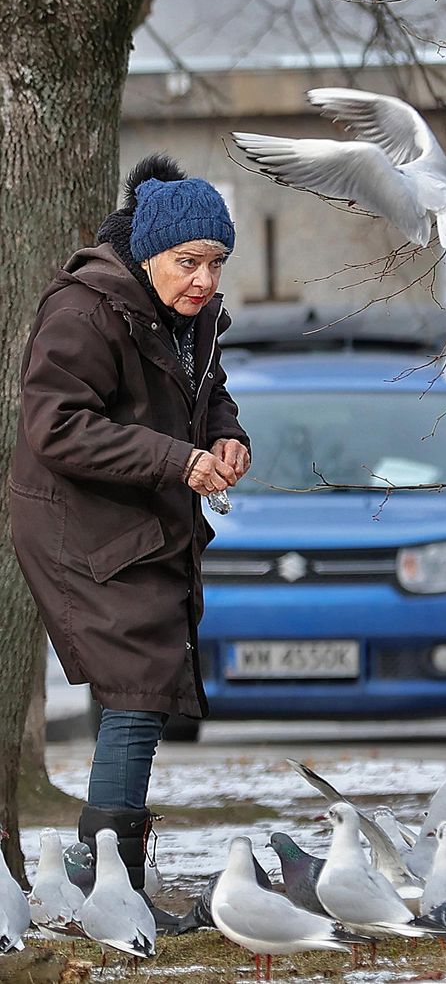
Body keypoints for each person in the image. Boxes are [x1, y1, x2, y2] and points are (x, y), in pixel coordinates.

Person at [10, 154, 251, 931]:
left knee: (142, 689)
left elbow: (206, 391)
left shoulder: (190, 313)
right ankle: (108, 885)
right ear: (148, 253)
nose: (205, 281)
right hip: (76, 519)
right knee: (141, 682)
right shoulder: (85, 311)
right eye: (189, 263)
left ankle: (106, 884)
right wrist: (178, 460)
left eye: (217, 263)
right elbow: (56, 426)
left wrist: (225, 435)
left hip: (143, 509)